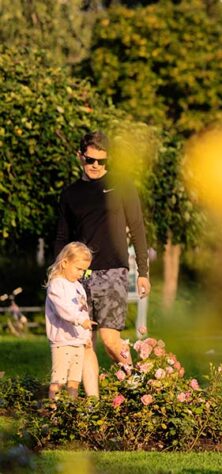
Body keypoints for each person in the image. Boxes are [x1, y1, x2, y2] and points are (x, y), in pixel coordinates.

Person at [54, 131, 151, 396]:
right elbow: (62, 236)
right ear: (80, 157)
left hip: (113, 271)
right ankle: (93, 404)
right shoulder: (70, 194)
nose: (95, 165)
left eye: (102, 161)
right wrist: (58, 274)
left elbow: (138, 229)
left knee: (110, 340)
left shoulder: (122, 186)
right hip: (78, 276)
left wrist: (143, 272)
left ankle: (140, 387)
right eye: (90, 160)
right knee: (84, 341)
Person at [45, 242, 96, 399]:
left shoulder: (78, 286)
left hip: (78, 341)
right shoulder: (57, 284)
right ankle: (53, 408)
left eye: (84, 270)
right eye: (78, 269)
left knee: (74, 381)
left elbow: (83, 310)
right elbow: (64, 309)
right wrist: (80, 320)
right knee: (58, 380)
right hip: (62, 341)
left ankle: (70, 409)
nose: (81, 274)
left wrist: (86, 336)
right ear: (65, 263)